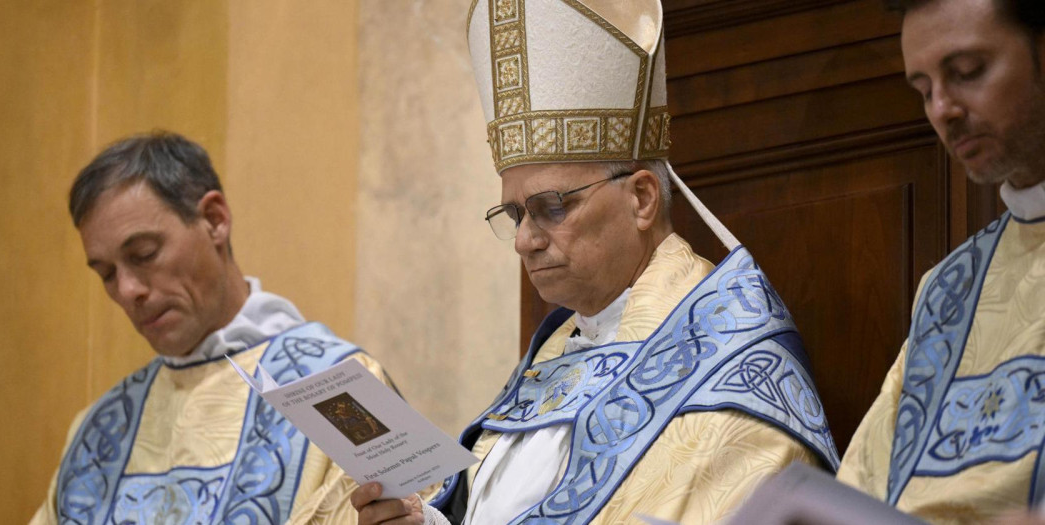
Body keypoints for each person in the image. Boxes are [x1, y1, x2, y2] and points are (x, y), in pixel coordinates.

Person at [352, 1, 841, 523]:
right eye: (515, 214)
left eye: (551, 207)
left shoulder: (733, 370)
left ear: (642, 199)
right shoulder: (558, 347)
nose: (524, 241)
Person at [30, 131, 393, 524]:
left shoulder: (340, 388)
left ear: (214, 220)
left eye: (144, 254)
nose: (127, 290)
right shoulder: (100, 432)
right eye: (106, 274)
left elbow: (407, 509)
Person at [836, 0, 1045, 522]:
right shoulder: (949, 288)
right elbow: (859, 493)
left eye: (967, 72)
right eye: (924, 90)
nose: (942, 109)